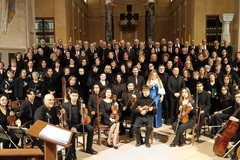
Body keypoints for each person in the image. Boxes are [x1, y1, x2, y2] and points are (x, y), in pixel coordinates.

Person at [61, 88, 98, 155]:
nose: (75, 97)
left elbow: (85, 116)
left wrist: (84, 109)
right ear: (70, 96)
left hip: (80, 124)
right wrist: (72, 127)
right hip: (70, 125)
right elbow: (65, 118)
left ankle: (89, 148)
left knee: (91, 129)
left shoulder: (80, 104)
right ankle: (72, 152)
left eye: (76, 96)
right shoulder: (65, 105)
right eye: (73, 95)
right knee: (72, 133)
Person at [229, 90, 240, 160]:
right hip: (237, 126)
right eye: (236, 97)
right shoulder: (236, 105)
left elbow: (236, 119)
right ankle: (235, 152)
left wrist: (237, 120)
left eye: (239, 97)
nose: (238, 98)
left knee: (237, 135)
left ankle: (236, 155)